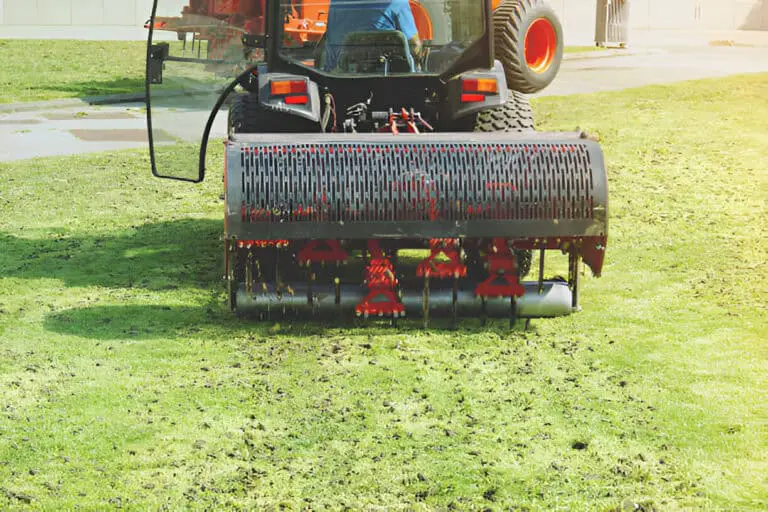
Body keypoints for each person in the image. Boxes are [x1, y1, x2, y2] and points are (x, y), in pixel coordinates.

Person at [321, 0, 423, 71]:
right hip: (387, 80)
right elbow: (414, 45)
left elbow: (331, 35)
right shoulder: (397, 2)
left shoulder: (336, 2)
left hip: (339, 76)